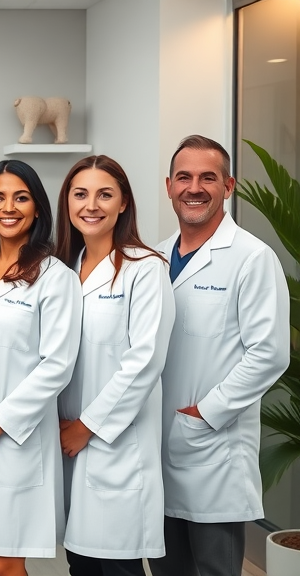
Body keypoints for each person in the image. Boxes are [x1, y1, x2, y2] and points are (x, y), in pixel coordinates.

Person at [149, 136, 290, 576]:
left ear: (228, 186)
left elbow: (269, 353)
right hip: (155, 447)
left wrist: (206, 413)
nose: (195, 187)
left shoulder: (251, 258)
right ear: (169, 186)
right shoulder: (153, 255)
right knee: (167, 567)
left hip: (213, 446)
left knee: (213, 568)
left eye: (208, 177)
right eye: (185, 177)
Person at [0, 160, 81, 576]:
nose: (9, 207)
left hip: (15, 441)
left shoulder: (54, 277)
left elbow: (56, 366)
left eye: (21, 197)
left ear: (38, 208)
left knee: (4, 564)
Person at [54, 156, 174, 576]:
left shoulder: (146, 268)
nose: (92, 205)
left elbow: (144, 362)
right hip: (65, 440)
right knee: (81, 564)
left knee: (117, 566)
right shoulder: (60, 269)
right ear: (67, 202)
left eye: (105, 194)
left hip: (114, 444)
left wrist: (86, 426)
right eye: (80, 193)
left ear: (123, 203)